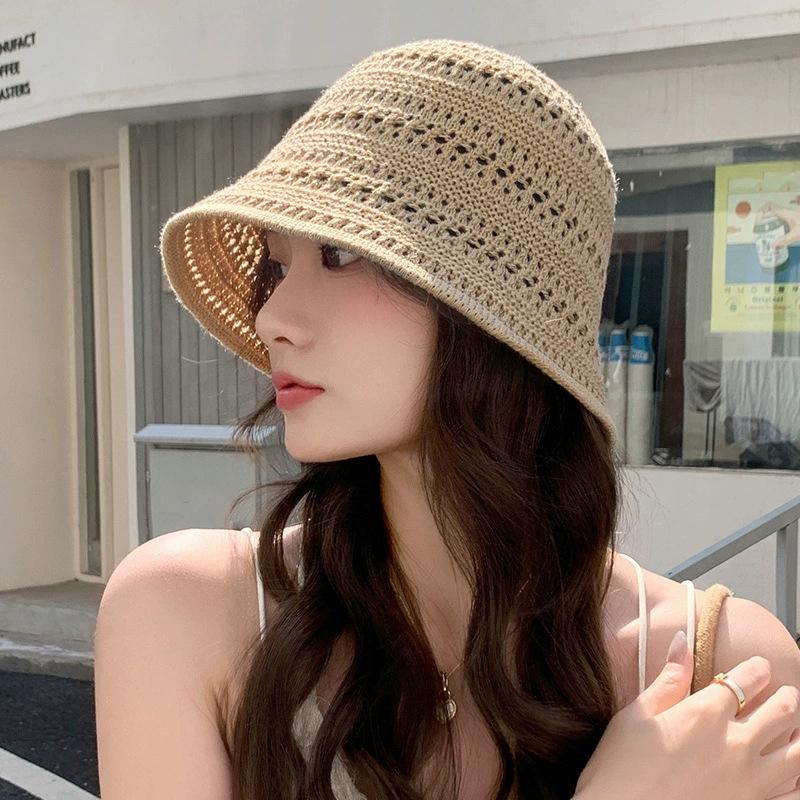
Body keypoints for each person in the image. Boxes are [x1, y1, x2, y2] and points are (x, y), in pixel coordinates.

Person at [94, 39, 800, 799]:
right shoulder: (187, 613)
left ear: (493, 308)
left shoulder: (725, 670)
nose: (272, 317)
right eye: (276, 265)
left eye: (337, 254)